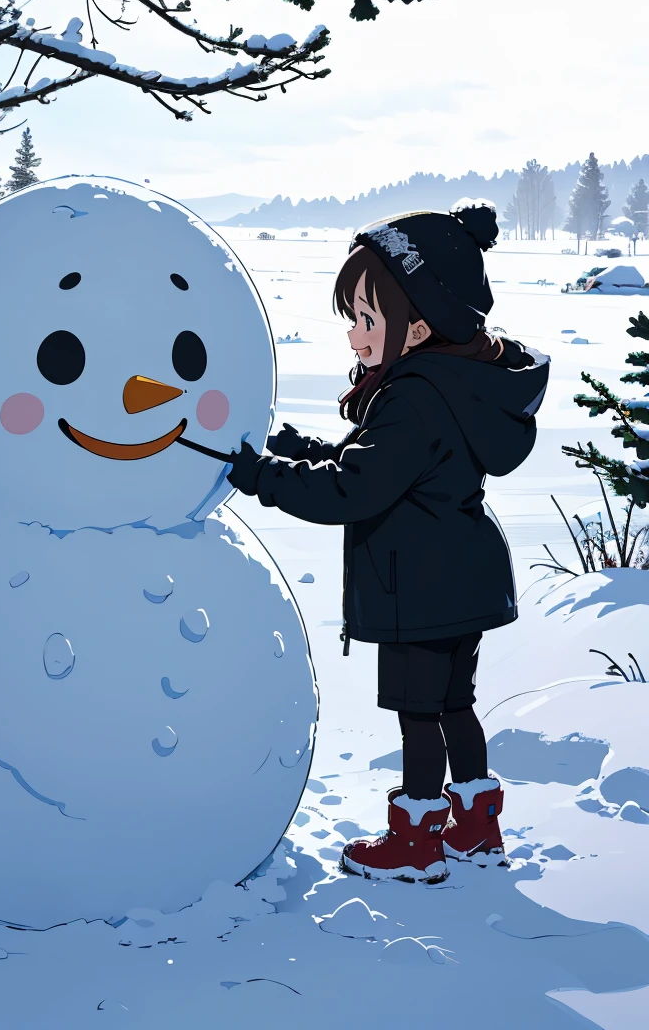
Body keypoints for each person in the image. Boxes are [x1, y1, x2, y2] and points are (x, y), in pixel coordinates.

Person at [226, 201, 549, 884]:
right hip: (462, 575)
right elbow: (380, 466)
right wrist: (302, 451)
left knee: (418, 715)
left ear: (421, 323)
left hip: (422, 587)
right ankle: (476, 829)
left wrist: (262, 476)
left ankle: (419, 841)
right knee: (454, 704)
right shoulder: (448, 385)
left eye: (367, 319)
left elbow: (353, 490)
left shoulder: (414, 398)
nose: (353, 336)